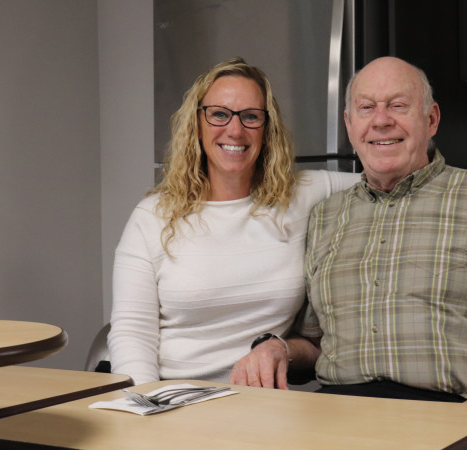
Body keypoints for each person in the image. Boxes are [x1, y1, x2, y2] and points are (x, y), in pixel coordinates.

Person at [230, 56, 467, 417]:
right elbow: (317, 344)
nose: (381, 121)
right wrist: (278, 349)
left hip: (446, 414)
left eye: (398, 106)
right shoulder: (327, 216)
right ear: (349, 124)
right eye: (366, 108)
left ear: (432, 119)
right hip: (334, 416)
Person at [107, 57, 360, 385]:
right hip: (175, 401)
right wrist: (147, 406)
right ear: (198, 124)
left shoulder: (301, 194)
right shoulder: (153, 217)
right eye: (219, 114)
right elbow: (132, 333)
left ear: (267, 130)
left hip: (265, 405)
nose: (235, 130)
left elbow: (385, 176)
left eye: (251, 117)